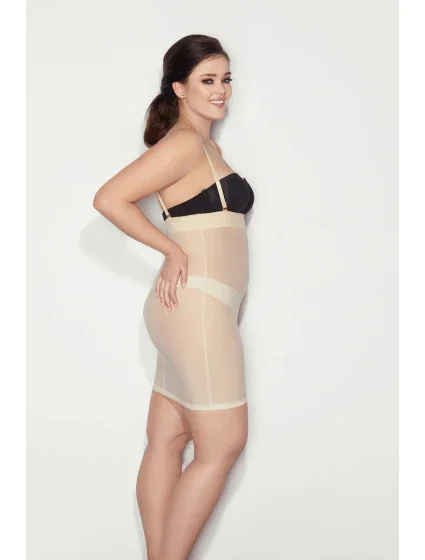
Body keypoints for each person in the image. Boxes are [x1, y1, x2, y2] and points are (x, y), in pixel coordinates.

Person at [93, 34, 254, 560]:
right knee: (223, 442)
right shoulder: (185, 143)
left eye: (225, 78)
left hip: (192, 309)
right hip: (195, 307)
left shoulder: (206, 147)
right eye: (208, 80)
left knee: (168, 438)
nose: (221, 89)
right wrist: (170, 249)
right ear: (180, 88)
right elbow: (109, 198)